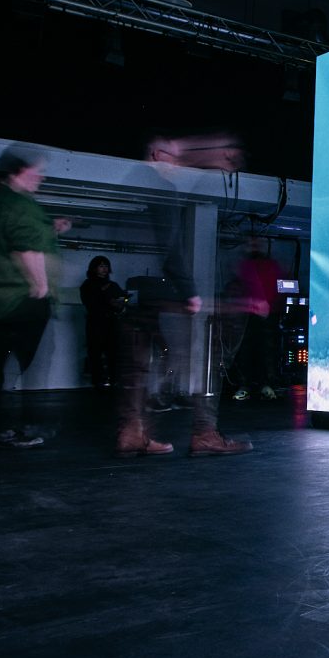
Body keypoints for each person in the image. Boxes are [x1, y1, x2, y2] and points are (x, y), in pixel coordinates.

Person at [113, 136, 251, 458]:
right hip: (162, 294)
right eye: (172, 157)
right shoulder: (162, 187)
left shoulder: (133, 182)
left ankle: (132, 432)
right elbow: (170, 244)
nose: (177, 163)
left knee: (139, 367)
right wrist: (190, 292)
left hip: (138, 293)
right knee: (203, 361)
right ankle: (205, 433)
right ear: (155, 155)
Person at [0, 146, 65, 450]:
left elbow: (8, 238)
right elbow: (25, 246)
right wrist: (41, 285)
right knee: (31, 364)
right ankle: (27, 426)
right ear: (17, 171)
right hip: (23, 297)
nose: (41, 177)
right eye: (37, 171)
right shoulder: (19, 203)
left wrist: (50, 230)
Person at [230, 239, 282, 399]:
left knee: (262, 351)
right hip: (253, 314)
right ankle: (256, 385)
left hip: (262, 314)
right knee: (252, 351)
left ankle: (259, 385)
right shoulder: (249, 266)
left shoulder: (261, 266)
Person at [78, 255, 125, 388]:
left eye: (106, 266)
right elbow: (90, 303)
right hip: (96, 323)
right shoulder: (88, 285)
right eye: (101, 266)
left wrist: (118, 304)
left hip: (111, 322)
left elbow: (122, 301)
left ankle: (113, 381)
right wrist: (106, 298)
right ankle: (97, 382)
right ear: (94, 268)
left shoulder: (113, 285)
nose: (104, 269)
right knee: (95, 353)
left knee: (113, 352)